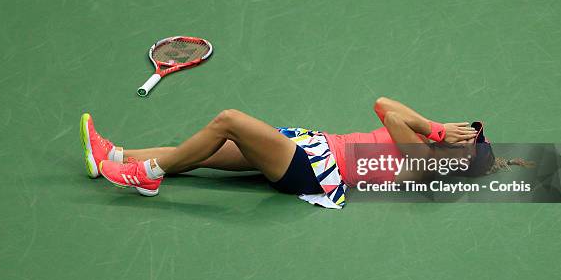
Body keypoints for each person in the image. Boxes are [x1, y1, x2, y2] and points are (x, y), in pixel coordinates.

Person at [79, 97, 524, 209]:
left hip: (313, 168)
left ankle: (149, 174)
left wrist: (438, 129)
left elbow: (387, 108)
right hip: (311, 147)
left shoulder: (428, 161)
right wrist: (439, 128)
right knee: (207, 151)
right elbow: (386, 107)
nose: (462, 133)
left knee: (228, 120)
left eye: (469, 139)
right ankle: (115, 156)